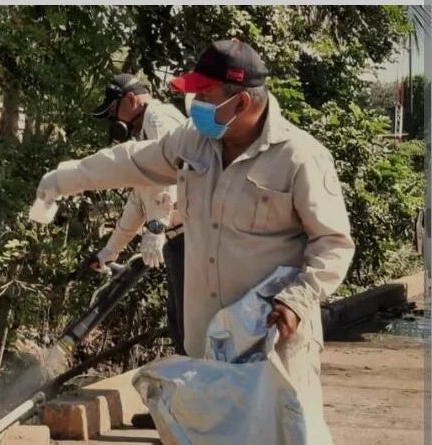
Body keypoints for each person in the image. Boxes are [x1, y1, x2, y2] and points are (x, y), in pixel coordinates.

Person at [36, 39, 355, 435]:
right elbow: (133, 162)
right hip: (208, 348)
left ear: (241, 102)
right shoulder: (193, 142)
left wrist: (297, 299)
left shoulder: (299, 157)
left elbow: (333, 243)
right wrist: (63, 179)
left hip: (273, 348)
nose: (196, 105)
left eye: (205, 95)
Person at [86, 73, 187, 354]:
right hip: (176, 241)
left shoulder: (160, 118)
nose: (113, 121)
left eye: (113, 111)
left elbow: (172, 169)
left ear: (131, 99)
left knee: (189, 327)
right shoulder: (144, 137)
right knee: (179, 324)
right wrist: (109, 251)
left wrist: (156, 226)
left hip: (191, 238)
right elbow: (137, 202)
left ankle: (204, 392)